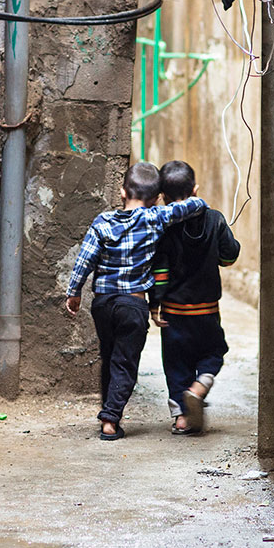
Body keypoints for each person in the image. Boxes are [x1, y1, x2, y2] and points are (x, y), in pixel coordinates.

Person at [65, 161, 207, 441]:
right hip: (133, 305)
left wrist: (74, 291)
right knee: (125, 362)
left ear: (121, 192)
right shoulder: (155, 217)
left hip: (103, 304)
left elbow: (85, 259)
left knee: (109, 357)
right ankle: (110, 418)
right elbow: (194, 207)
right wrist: (196, 196)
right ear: (155, 199)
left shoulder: (102, 222)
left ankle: (109, 411)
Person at [149, 160, 240, 435]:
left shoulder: (163, 226)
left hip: (174, 312)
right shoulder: (215, 219)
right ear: (196, 190)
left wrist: (155, 304)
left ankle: (181, 418)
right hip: (207, 310)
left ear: (163, 196)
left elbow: (160, 270)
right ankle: (199, 388)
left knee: (176, 364)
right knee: (214, 352)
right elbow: (229, 256)